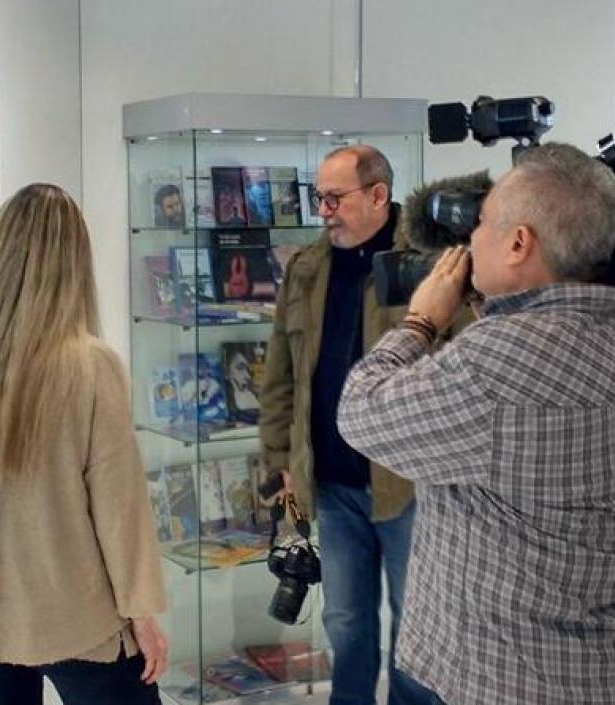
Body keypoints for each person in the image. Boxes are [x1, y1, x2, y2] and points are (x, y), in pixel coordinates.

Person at [337, 142, 615, 705]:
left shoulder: (496, 362)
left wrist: (421, 321)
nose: (469, 244)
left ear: (520, 243)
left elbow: (361, 411)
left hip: (500, 675)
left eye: (482, 224)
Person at [0, 183, 168, 705]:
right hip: (75, 617)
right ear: (73, 262)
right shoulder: (90, 366)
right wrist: (142, 612)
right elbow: (120, 508)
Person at [258, 144, 437, 705]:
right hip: (332, 486)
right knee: (346, 623)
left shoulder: (432, 264)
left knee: (418, 628)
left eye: (335, 198)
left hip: (410, 484)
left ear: (379, 195)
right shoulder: (308, 268)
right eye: (319, 198)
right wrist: (280, 463)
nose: (324, 211)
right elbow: (281, 377)